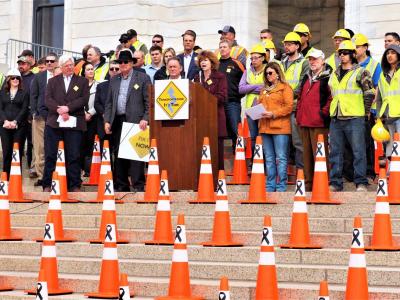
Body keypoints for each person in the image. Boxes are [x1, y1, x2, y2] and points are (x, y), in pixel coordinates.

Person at [328, 40, 375, 192]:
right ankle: (335, 182)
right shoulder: (334, 73)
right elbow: (333, 94)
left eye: (346, 53)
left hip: (355, 117)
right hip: (337, 117)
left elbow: (369, 94)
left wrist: (366, 112)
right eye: (340, 53)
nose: (342, 55)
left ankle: (360, 182)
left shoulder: (361, 71)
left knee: (358, 151)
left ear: (353, 55)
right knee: (335, 151)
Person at [104, 49, 151, 192]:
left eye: (126, 62)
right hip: (118, 120)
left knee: (136, 154)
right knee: (118, 154)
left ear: (131, 63)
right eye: (121, 62)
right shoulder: (114, 79)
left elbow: (149, 100)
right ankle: (121, 185)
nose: (123, 64)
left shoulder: (142, 77)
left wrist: (145, 118)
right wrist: (107, 120)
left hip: (136, 121)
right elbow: (109, 103)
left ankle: (138, 185)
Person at [42, 54, 89, 192]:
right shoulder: (52, 81)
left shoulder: (82, 81)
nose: (70, 67)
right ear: (61, 67)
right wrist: (60, 110)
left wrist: (68, 108)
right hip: (55, 123)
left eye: (71, 65)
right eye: (67, 65)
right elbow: (48, 99)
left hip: (74, 123)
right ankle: (48, 184)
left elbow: (84, 99)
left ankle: (74, 184)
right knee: (51, 154)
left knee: (73, 155)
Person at [296, 49, 332, 191]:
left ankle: (322, 183)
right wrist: (299, 114)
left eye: (315, 59)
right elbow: (300, 98)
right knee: (306, 155)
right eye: (310, 59)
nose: (312, 62)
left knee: (321, 155)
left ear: (323, 61)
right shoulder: (306, 77)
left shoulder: (328, 77)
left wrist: (322, 114)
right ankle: (309, 184)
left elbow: (331, 98)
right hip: (304, 122)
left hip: (319, 123)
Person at [258, 62, 293, 192]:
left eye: (270, 73)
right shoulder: (264, 90)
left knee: (281, 158)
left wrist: (273, 114)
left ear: (278, 74)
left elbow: (289, 107)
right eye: (266, 73)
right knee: (269, 158)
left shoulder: (285, 88)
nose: (268, 76)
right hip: (265, 127)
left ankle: (281, 186)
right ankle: (270, 185)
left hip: (280, 128)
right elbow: (260, 105)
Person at [354, 33, 382, 179]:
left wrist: (369, 108)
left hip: (368, 110)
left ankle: (370, 172)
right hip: (353, 109)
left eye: (357, 47)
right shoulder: (351, 65)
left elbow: (377, 88)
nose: (355, 50)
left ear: (365, 48)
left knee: (367, 143)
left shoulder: (374, 65)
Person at [194, 50, 227, 170]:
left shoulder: (220, 77)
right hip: (201, 120)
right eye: (201, 60)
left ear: (212, 62)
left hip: (216, 118)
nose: (203, 62)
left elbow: (222, 97)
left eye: (206, 60)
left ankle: (219, 180)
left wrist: (206, 99)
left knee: (217, 151)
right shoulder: (197, 77)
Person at [281, 32, 309, 170]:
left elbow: (302, 85)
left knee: (298, 142)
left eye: (290, 44)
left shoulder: (304, 63)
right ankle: (283, 174)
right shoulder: (280, 63)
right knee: (282, 143)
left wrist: (285, 97)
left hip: (295, 108)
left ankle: (301, 173)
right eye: (285, 44)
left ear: (297, 46)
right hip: (280, 109)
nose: (286, 47)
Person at [30, 52, 58, 187]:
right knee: (40, 148)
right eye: (47, 61)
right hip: (40, 117)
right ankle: (42, 177)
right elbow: (33, 95)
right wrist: (34, 112)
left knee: (53, 148)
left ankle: (54, 176)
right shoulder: (39, 77)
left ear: (57, 63)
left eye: (52, 61)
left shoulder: (60, 76)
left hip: (56, 117)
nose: (49, 63)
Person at [0, 69, 29, 178]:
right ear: (8, 80)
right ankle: (5, 178)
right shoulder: (2, 92)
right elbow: (0, 109)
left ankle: (16, 178)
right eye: (13, 78)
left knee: (17, 152)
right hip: (4, 126)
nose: (15, 80)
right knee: (6, 152)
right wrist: (5, 121)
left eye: (17, 78)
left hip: (19, 127)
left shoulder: (24, 93)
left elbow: (24, 109)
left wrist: (15, 121)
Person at [218, 39, 245, 153]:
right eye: (221, 47)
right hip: (218, 103)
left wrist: (238, 95)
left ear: (230, 49)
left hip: (233, 102)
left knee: (236, 129)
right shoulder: (215, 64)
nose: (223, 49)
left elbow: (245, 80)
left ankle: (239, 152)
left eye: (225, 47)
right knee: (220, 130)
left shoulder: (237, 63)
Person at [239, 44, 267, 153]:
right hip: (251, 110)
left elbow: (267, 87)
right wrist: (256, 86)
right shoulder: (248, 71)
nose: (253, 60)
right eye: (252, 58)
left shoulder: (268, 69)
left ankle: (264, 160)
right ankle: (255, 161)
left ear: (263, 58)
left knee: (263, 136)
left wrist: (249, 87)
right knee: (253, 137)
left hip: (264, 108)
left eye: (256, 58)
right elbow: (241, 89)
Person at [375, 45, 400, 157]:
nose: (389, 55)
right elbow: (379, 98)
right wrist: (379, 115)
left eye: (393, 53)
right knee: (389, 148)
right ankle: (392, 173)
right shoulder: (382, 75)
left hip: (399, 115)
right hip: (388, 116)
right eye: (387, 53)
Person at [94, 60, 121, 147]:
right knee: (104, 152)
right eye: (111, 69)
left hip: (119, 122)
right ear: (108, 71)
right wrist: (105, 115)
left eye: (117, 69)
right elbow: (96, 104)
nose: (114, 71)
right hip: (103, 122)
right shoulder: (101, 86)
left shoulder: (124, 85)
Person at [17, 55, 35, 176]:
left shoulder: (34, 78)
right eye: (19, 64)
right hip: (17, 116)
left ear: (29, 65)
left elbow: (34, 97)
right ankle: (16, 168)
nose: (20, 66)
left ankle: (31, 168)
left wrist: (31, 114)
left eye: (23, 64)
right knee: (18, 143)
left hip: (29, 116)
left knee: (31, 143)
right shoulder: (15, 78)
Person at [80, 62, 99, 176]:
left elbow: (99, 101)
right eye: (88, 69)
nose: (91, 71)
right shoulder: (79, 85)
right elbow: (76, 100)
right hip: (81, 117)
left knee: (91, 144)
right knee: (80, 143)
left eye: (92, 69)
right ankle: (81, 168)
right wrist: (83, 113)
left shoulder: (98, 85)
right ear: (84, 72)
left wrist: (90, 113)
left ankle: (89, 170)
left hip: (93, 118)